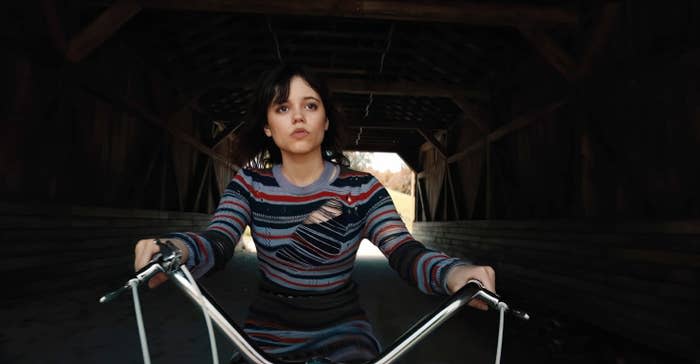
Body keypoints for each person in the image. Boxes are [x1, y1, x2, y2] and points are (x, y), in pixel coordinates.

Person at [133, 64, 496, 361]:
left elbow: (403, 251)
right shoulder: (249, 184)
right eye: (282, 108)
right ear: (267, 126)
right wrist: (175, 250)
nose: (298, 117)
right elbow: (217, 240)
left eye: (310, 105)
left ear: (326, 121)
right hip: (266, 332)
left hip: (345, 332)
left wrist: (454, 272)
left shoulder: (362, 189)